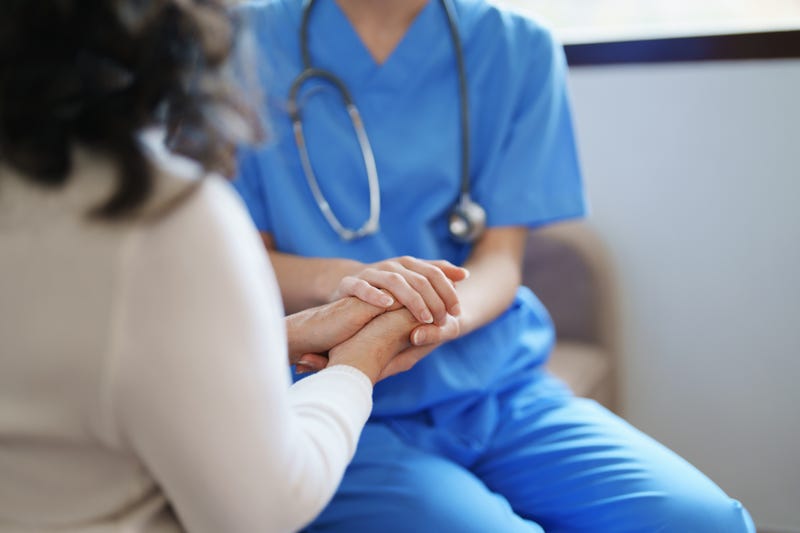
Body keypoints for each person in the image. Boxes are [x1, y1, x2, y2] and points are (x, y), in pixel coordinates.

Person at [233, 0, 756, 531]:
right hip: (326, 394)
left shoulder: (517, 47)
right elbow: (230, 265)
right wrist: (349, 284)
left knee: (704, 520)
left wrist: (428, 317)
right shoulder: (234, 46)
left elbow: (500, 261)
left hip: (492, 384)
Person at [0, 1, 452, 531]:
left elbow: (80, 363)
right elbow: (263, 511)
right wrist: (359, 362)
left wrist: (279, 336)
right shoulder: (163, 216)